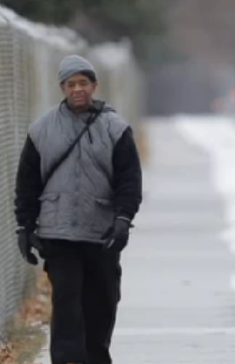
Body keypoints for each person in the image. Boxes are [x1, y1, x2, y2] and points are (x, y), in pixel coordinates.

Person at [14, 55, 143, 364]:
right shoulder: (41, 130)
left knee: (101, 304)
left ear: (94, 85)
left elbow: (130, 180)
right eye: (71, 84)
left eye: (83, 83)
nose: (77, 90)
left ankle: (96, 358)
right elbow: (27, 183)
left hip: (101, 234)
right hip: (58, 234)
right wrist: (25, 226)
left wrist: (123, 219)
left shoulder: (115, 129)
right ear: (62, 88)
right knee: (67, 304)